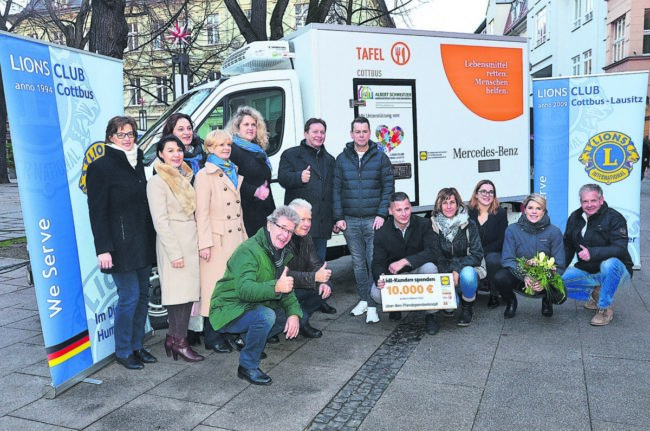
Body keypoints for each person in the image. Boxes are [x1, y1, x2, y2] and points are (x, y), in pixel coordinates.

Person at [86, 116, 157, 370]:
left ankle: (137, 346)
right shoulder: (101, 167)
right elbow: (97, 212)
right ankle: (123, 350)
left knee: (142, 297)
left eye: (131, 134)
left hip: (143, 243)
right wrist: (103, 248)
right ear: (110, 137)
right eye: (121, 134)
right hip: (121, 246)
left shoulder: (138, 162)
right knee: (129, 297)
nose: (128, 139)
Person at [209, 206, 303, 386]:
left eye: (290, 231)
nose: (285, 235)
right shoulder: (249, 250)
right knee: (266, 316)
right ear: (269, 225)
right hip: (228, 308)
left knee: (287, 316)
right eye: (282, 228)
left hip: (250, 305)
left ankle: (243, 339)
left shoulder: (280, 252)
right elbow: (245, 290)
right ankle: (247, 366)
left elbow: (285, 288)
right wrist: (276, 286)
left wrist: (294, 314)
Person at [147, 135, 204, 362]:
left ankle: (173, 338)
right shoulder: (157, 181)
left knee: (188, 294)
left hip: (190, 241)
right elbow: (160, 221)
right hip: (174, 243)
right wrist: (174, 253)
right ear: (161, 154)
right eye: (170, 150)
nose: (176, 154)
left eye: (179, 150)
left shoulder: (185, 177)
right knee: (177, 296)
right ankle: (180, 342)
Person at [333, 117, 394, 324]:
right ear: (351, 134)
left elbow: (388, 188)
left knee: (372, 262)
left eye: (364, 131)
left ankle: (372, 305)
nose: (361, 135)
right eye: (357, 131)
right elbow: (336, 191)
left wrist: (381, 214)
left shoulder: (380, 158)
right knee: (358, 264)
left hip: (372, 220)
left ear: (370, 134)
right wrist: (339, 217)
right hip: (350, 221)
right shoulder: (341, 159)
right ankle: (364, 299)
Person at [195, 130, 247, 353]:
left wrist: (245, 239)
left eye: (228, 144)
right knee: (214, 290)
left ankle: (227, 332)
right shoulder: (204, 176)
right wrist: (204, 243)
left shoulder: (232, 170)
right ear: (210, 148)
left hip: (234, 238)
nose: (226, 148)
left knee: (231, 289)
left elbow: (239, 211)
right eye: (220, 145)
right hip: (216, 241)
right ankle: (212, 336)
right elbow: (201, 213)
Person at [562, 184, 633, 326]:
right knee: (556, 283)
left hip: (617, 270)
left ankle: (604, 308)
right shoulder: (575, 217)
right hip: (589, 269)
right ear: (581, 202)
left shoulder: (615, 218)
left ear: (601, 200)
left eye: (593, 200)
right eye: (585, 201)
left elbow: (620, 248)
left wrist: (592, 253)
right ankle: (595, 294)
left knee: (609, 263)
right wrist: (557, 269)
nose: (589, 205)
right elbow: (568, 246)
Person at [370, 192, 440, 333]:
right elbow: (377, 262)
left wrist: (405, 261)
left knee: (431, 268)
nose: (404, 213)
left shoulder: (424, 224)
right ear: (390, 211)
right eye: (399, 210)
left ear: (411, 208)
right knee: (376, 293)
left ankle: (430, 314)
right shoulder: (382, 231)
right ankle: (395, 306)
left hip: (417, 269)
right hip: (395, 275)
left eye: (406, 208)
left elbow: (433, 252)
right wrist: (379, 278)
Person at [495, 193, 565, 319]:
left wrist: (544, 280)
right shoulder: (512, 230)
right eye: (530, 208)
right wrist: (524, 276)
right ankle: (511, 301)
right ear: (524, 209)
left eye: (538, 208)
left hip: (545, 276)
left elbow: (559, 264)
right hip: (520, 276)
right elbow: (508, 259)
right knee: (500, 277)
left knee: (560, 294)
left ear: (544, 211)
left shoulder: (554, 232)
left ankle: (547, 301)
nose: (534, 212)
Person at [279, 118, 335, 261]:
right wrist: (299, 177)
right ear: (305, 134)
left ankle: (318, 284)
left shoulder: (330, 160)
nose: (319, 135)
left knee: (318, 265)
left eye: (322, 132)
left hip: (321, 225)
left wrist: (335, 219)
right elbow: (283, 178)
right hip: (298, 225)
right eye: (315, 131)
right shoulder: (290, 155)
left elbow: (334, 192)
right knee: (297, 267)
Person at [430, 187, 483, 327]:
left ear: (458, 204)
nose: (448, 206)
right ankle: (452, 301)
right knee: (449, 308)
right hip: (444, 270)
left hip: (467, 268)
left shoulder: (469, 224)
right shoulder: (433, 226)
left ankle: (468, 308)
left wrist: (456, 269)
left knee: (468, 275)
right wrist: (449, 272)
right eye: (445, 202)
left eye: (452, 202)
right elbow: (436, 256)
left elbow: (477, 255)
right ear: (439, 205)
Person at [287, 199, 336, 339]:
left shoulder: (306, 237)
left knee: (326, 285)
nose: (307, 224)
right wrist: (315, 278)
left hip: (299, 284)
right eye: (302, 219)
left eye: (309, 219)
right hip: (280, 289)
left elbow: (315, 263)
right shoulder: (281, 238)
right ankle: (297, 321)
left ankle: (301, 320)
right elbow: (283, 275)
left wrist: (323, 281)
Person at [226, 106, 275, 237]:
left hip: (265, 212)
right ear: (237, 128)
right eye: (246, 124)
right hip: (248, 213)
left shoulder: (258, 149)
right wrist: (255, 192)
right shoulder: (232, 150)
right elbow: (231, 180)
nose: (250, 128)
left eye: (253, 125)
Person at [467, 179, 508, 309]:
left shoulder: (500, 213)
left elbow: (502, 240)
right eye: (483, 191)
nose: (487, 195)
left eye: (491, 192)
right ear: (476, 194)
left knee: (492, 260)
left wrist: (482, 252)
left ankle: (494, 294)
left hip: (493, 251)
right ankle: (469, 292)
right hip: (472, 250)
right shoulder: (468, 212)